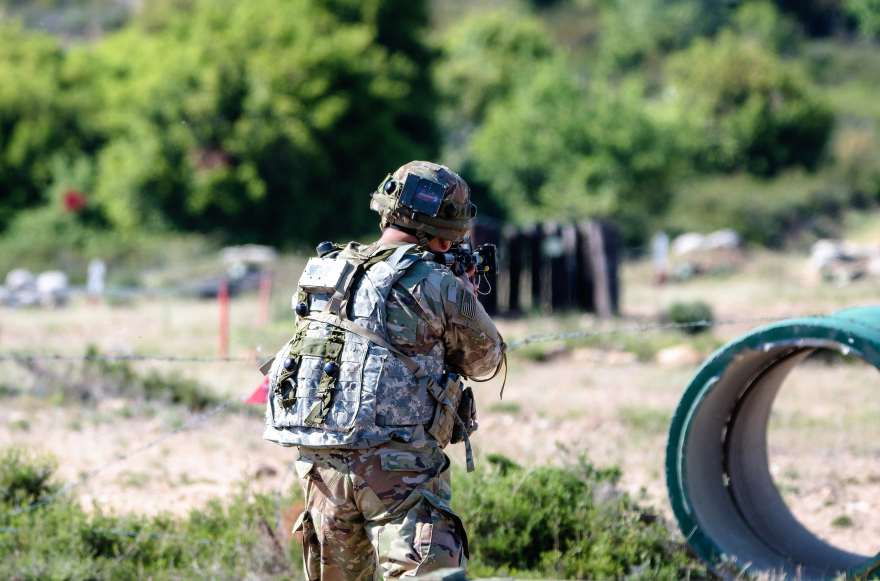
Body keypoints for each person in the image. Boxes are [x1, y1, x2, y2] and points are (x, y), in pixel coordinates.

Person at [262, 160, 505, 580]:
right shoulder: (437, 283)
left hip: (322, 467)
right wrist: (465, 296)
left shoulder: (327, 271)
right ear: (446, 235)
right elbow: (485, 361)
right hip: (398, 470)